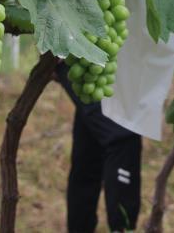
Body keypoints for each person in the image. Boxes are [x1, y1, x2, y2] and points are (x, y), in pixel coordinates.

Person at [56, 62, 142, 233]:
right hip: (84, 55)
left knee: (90, 148)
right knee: (122, 138)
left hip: (95, 57)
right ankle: (122, 228)